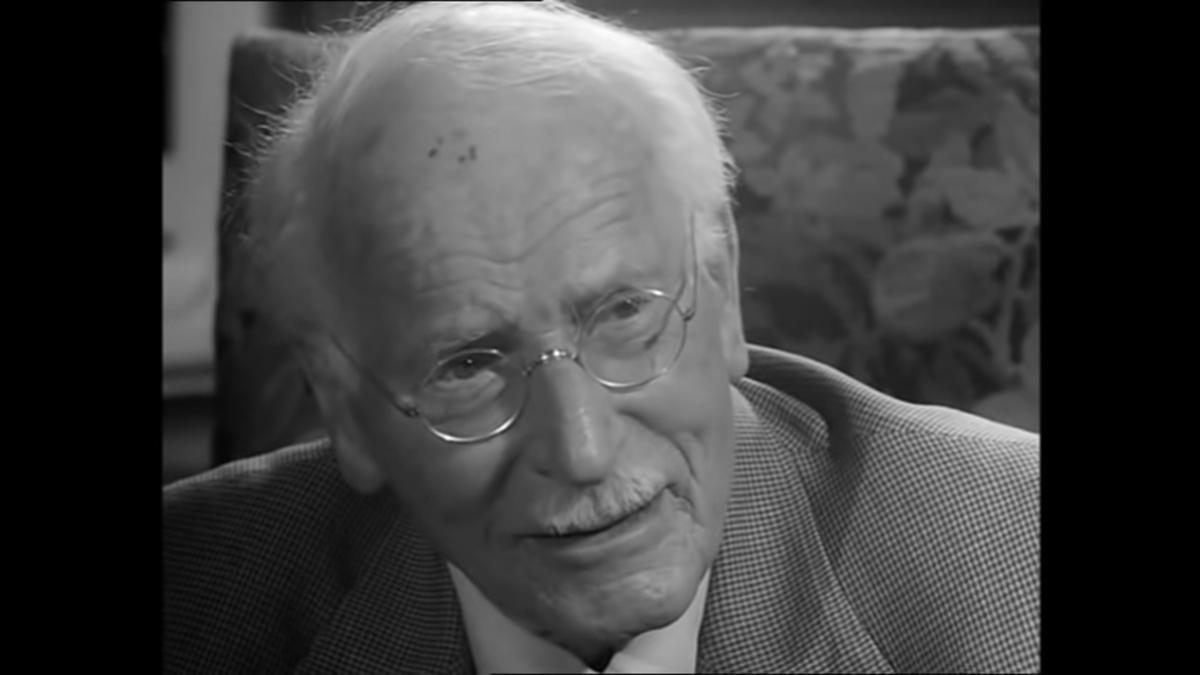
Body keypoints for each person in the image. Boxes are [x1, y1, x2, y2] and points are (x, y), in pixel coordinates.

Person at [163, 2, 1040, 673]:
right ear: (344, 405)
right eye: (469, 364)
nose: (580, 448)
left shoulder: (1016, 563)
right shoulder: (195, 594)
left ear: (723, 290)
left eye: (623, 315)